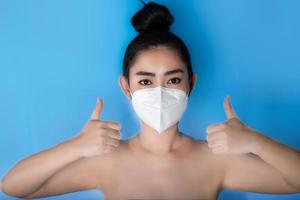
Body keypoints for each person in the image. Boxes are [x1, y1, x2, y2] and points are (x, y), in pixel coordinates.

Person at [2, 2, 300, 200]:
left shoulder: (215, 160)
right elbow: (13, 186)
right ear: (126, 87)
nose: (159, 92)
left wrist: (255, 142)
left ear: (190, 84)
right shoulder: (106, 161)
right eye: (145, 81)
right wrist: (75, 146)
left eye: (172, 80)